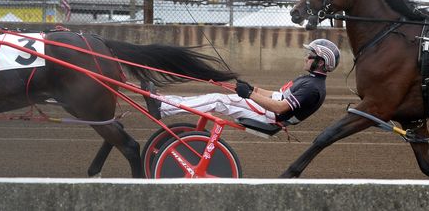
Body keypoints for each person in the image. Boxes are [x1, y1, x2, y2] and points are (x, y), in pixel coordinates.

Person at [142, 39, 340, 125]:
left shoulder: (313, 88)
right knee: (218, 97)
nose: (306, 57)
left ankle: (164, 108)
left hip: (270, 118)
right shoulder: (310, 80)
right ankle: (164, 101)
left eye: (310, 55)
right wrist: (252, 88)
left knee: (218, 101)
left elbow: (280, 108)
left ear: (321, 62)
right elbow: (276, 95)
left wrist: (250, 94)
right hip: (267, 111)